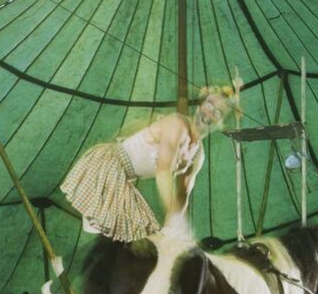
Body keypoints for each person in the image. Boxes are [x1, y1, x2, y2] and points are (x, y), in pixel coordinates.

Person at [60, 88, 237, 242]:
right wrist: (178, 224)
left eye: (217, 112)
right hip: (106, 166)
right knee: (131, 236)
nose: (208, 113)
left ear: (222, 124)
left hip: (122, 180)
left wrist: (171, 229)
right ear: (200, 105)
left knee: (139, 237)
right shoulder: (177, 124)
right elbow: (163, 171)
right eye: (208, 105)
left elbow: (182, 196)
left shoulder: (197, 155)